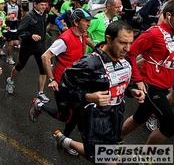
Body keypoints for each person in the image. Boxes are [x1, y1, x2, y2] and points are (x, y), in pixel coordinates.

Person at [53, 21, 145, 163]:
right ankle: (66, 142)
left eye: (130, 43)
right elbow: (63, 87)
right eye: (122, 43)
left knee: (97, 156)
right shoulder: (90, 63)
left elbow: (121, 82)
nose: (127, 48)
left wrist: (132, 90)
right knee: (107, 160)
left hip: (116, 115)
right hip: (95, 119)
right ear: (109, 39)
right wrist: (88, 96)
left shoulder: (124, 59)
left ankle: (65, 141)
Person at [29, 8, 96, 157]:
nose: (89, 24)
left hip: (76, 82)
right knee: (65, 116)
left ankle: (64, 140)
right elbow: (45, 57)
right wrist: (52, 79)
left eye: (89, 21)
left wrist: (98, 50)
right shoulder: (64, 40)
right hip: (62, 83)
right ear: (76, 22)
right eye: (86, 21)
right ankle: (38, 104)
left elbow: (86, 39)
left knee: (78, 113)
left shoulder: (82, 34)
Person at [120, 1, 174, 146]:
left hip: (166, 85)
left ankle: (116, 139)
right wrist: (138, 80)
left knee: (139, 118)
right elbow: (130, 54)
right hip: (151, 85)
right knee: (170, 125)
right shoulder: (153, 33)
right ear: (169, 15)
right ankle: (147, 157)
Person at [5, 0, 49, 102]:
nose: (44, 7)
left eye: (45, 5)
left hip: (40, 47)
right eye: (41, 5)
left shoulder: (44, 15)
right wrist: (30, 35)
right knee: (20, 66)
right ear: (35, 4)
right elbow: (20, 31)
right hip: (28, 47)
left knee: (43, 69)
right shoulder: (29, 16)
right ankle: (11, 81)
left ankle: (40, 93)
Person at [4, 0, 22, 65]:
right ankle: (9, 57)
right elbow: (1, 16)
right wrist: (6, 18)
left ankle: (2, 43)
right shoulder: (6, 6)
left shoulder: (18, 6)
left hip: (14, 27)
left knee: (16, 43)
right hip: (7, 27)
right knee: (11, 44)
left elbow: (19, 17)